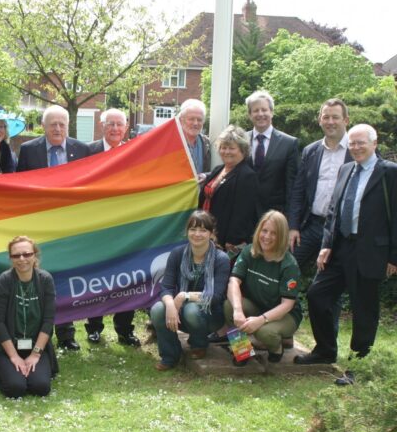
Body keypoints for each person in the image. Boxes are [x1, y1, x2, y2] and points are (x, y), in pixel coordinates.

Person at [295, 124, 397, 385]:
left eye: (361, 143)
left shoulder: (389, 173)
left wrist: (393, 256)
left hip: (371, 251)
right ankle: (325, 350)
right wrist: (327, 244)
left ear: (375, 144)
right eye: (352, 143)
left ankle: (357, 366)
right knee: (318, 295)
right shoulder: (346, 169)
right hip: (340, 248)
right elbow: (333, 211)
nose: (356, 147)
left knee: (364, 309)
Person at [16, 105, 90, 350]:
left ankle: (67, 334)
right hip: (40, 225)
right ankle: (39, 331)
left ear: (68, 126)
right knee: (41, 276)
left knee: (66, 278)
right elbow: (19, 187)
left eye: (62, 124)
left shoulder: (82, 149)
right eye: (52, 124)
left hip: (71, 226)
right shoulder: (28, 150)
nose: (57, 129)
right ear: (43, 126)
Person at [83, 108, 140, 347]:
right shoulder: (88, 152)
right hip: (96, 226)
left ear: (126, 127)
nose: (115, 128)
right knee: (97, 277)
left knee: (127, 279)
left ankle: (124, 330)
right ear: (101, 125)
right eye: (111, 124)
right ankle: (94, 328)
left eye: (119, 124)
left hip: (125, 227)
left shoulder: (134, 152)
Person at [150, 211, 230, 370]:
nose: (197, 234)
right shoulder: (177, 254)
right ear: (187, 232)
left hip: (210, 315)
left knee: (191, 309)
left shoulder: (221, 259)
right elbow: (166, 287)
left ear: (211, 233)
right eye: (193, 229)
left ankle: (199, 343)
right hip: (181, 313)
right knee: (158, 309)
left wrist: (183, 296)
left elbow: (215, 296)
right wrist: (171, 305)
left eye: (203, 230)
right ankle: (170, 355)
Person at [224, 210, 302, 364]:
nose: (267, 237)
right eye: (264, 231)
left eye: (273, 233)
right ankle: (242, 351)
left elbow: (287, 304)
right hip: (258, 305)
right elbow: (234, 282)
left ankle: (277, 348)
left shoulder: (289, 265)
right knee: (229, 306)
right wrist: (238, 311)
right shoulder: (249, 251)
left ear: (281, 237)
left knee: (264, 331)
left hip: (285, 314)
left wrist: (260, 320)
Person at [0, 236, 58, 398]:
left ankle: (29, 368)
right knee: (15, 388)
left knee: (41, 387)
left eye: (26, 254)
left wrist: (35, 354)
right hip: (8, 347)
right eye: (16, 255)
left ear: (35, 255)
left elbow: (48, 321)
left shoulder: (45, 279)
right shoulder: (5, 280)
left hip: (35, 346)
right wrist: (14, 356)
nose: (22, 259)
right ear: (11, 259)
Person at [288, 99, 352, 269]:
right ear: (320, 120)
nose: (330, 122)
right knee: (287, 267)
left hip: (340, 230)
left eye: (335, 117)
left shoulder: (358, 150)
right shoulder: (311, 151)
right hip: (312, 225)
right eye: (326, 117)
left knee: (329, 281)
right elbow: (298, 191)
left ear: (346, 120)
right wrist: (293, 227)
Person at [198, 125, 259, 257]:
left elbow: (243, 213)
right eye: (223, 147)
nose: (226, 151)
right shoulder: (218, 170)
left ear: (243, 150)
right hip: (206, 232)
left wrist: (232, 241)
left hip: (225, 241)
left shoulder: (247, 175)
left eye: (231, 148)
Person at [245, 90, 299, 215]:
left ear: (272, 112)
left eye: (264, 110)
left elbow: (292, 185)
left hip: (275, 215)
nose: (260, 114)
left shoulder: (289, 143)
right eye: (256, 110)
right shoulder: (241, 140)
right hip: (245, 214)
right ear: (249, 114)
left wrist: (291, 221)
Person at [177, 99, 211, 174]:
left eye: (199, 120)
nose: (195, 123)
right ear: (181, 120)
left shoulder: (207, 143)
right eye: (191, 119)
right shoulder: (172, 142)